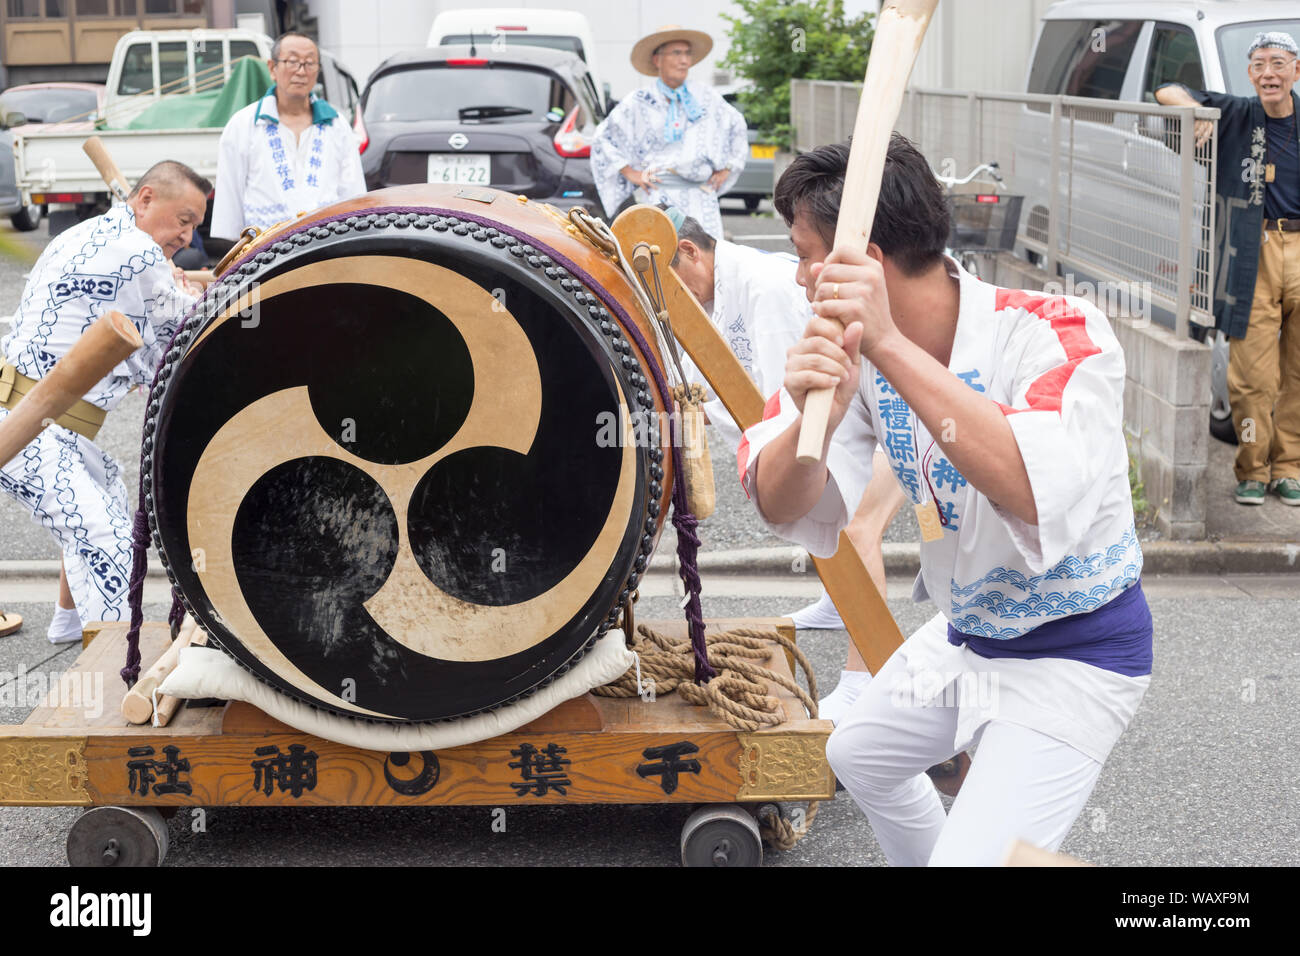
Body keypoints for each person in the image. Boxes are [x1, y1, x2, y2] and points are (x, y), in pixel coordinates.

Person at [738, 136, 1151, 865]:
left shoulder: (1057, 331)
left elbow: (1027, 487)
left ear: (865, 264)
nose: (799, 276)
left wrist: (890, 344)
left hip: (1076, 655)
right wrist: (819, 418)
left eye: (808, 254)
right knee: (859, 755)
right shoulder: (846, 351)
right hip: (964, 638)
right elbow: (777, 501)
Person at [664, 204, 906, 723]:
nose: (666, 302)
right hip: (837, 409)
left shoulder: (763, 287)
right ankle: (835, 607)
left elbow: (776, 400)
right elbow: (702, 380)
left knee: (855, 529)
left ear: (690, 252)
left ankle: (866, 680)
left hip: (870, 411)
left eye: (666, 284)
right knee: (828, 525)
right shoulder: (711, 294)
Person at [0, 161, 207, 643]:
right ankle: (111, 671)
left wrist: (173, 282)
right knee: (109, 542)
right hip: (33, 427)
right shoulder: (138, 255)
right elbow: (184, 331)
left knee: (101, 502)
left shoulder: (88, 233)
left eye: (195, 224)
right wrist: (190, 289)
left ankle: (68, 623)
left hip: (47, 416)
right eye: (184, 219)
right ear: (147, 198)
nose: (188, 236)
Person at [1156, 32, 1300, 507]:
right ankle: (1253, 469)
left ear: (1296, 71)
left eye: (1278, 64)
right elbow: (1166, 89)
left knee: (1297, 371)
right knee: (1251, 374)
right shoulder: (1237, 114)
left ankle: (1290, 468)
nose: (1268, 74)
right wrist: (1193, 111)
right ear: (1251, 74)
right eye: (1259, 65)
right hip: (1252, 249)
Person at [591, 25, 747, 239]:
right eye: (676, 53)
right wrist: (631, 173)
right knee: (662, 258)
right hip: (659, 196)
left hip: (702, 197)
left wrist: (728, 167)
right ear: (657, 60)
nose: (684, 60)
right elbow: (603, 137)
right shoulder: (639, 101)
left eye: (687, 54)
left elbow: (737, 125)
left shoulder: (706, 97)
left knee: (707, 261)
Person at [211, 31, 365, 241]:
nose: (301, 71)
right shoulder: (244, 124)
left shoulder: (336, 125)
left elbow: (353, 193)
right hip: (263, 252)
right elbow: (229, 200)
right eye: (292, 61)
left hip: (325, 246)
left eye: (310, 63)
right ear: (272, 68)